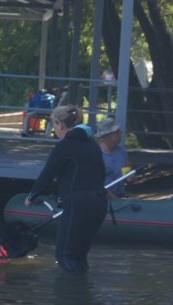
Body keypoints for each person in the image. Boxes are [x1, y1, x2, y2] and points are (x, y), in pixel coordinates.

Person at [24, 105, 108, 273]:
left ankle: (71, 296)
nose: (55, 129)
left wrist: (31, 196)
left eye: (54, 125)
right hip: (99, 203)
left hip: (79, 205)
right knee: (79, 255)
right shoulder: (92, 145)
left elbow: (47, 174)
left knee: (65, 255)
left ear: (60, 124)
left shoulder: (65, 145)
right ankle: (84, 293)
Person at [94, 117, 129, 198]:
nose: (120, 133)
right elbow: (95, 184)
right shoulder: (95, 154)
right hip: (101, 199)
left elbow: (127, 169)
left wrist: (127, 177)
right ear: (107, 135)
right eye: (117, 132)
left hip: (120, 196)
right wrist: (116, 199)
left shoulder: (122, 151)